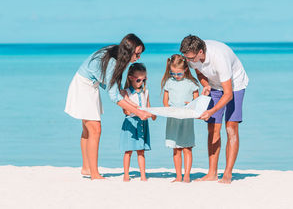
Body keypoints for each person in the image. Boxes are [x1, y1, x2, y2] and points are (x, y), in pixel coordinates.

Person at [65, 33, 153, 180]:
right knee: (94, 129)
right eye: (137, 54)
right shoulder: (113, 62)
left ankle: (87, 168)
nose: (138, 58)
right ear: (128, 51)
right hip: (84, 86)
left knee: (88, 128)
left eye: (140, 54)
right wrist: (138, 113)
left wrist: (137, 108)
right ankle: (94, 174)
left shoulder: (116, 53)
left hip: (89, 85)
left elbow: (117, 90)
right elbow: (114, 97)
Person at [180, 35, 249, 184]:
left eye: (191, 58)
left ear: (200, 52)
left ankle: (228, 173)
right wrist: (205, 85)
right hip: (214, 84)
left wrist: (211, 111)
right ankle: (212, 173)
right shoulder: (190, 58)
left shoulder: (219, 58)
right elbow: (199, 73)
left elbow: (228, 94)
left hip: (235, 85)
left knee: (231, 127)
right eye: (186, 57)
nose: (189, 61)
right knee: (212, 128)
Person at [161, 54, 199, 183]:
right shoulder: (169, 82)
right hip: (173, 118)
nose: (176, 76)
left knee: (187, 147)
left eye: (179, 74)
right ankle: (178, 176)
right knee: (176, 148)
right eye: (173, 73)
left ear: (186, 70)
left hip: (186, 119)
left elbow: (197, 99)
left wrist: (192, 105)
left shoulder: (191, 83)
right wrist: (168, 109)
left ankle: (187, 176)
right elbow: (165, 100)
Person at [120, 63, 156, 182]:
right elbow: (125, 111)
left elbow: (149, 108)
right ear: (131, 78)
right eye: (139, 79)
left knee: (141, 151)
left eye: (144, 79)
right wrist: (135, 109)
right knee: (128, 150)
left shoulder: (146, 92)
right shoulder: (125, 93)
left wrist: (153, 114)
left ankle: (143, 175)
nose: (141, 82)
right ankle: (126, 175)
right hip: (131, 123)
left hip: (143, 123)